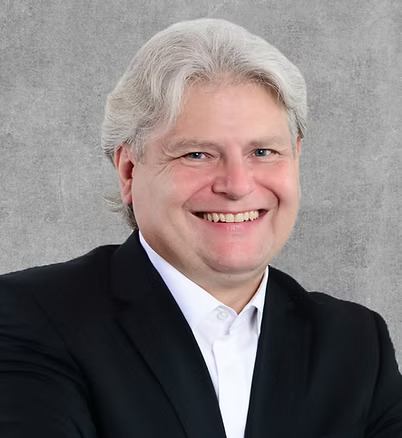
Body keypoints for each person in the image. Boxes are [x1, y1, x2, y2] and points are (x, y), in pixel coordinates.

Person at [0, 18, 401, 438]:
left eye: (263, 151)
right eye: (196, 154)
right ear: (129, 170)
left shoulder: (355, 343)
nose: (237, 185)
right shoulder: (30, 317)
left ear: (296, 157)